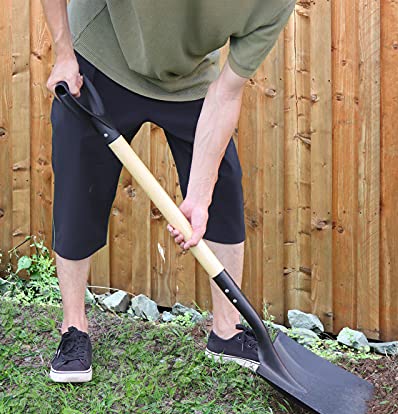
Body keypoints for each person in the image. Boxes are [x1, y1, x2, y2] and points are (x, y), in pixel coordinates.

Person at [42, 0, 296, 383]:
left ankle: (226, 333)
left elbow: (227, 93)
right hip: (100, 58)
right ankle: (74, 327)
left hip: (189, 79)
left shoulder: (272, 5)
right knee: (79, 191)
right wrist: (64, 54)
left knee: (222, 189)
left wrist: (199, 196)